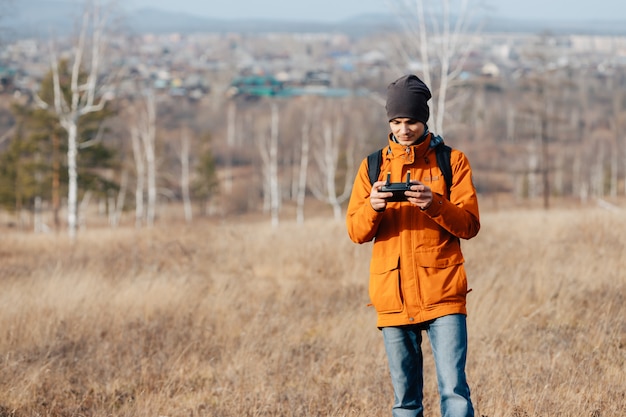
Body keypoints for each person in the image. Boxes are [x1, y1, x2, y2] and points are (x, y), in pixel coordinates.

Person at [346, 74, 480, 417]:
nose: (403, 129)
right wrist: (373, 207)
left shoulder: (453, 162)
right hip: (392, 294)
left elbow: (469, 225)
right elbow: (356, 232)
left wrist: (433, 202)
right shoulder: (372, 166)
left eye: (411, 121)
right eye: (396, 121)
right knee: (405, 400)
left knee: (454, 392)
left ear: (424, 119)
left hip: (444, 292)